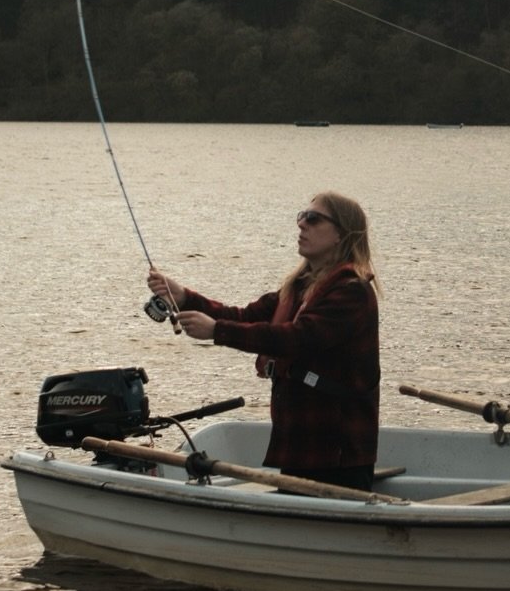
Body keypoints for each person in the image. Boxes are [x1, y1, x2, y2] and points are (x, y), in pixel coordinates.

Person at [147, 192, 381, 490]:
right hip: (301, 446)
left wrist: (216, 331)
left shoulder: (352, 292)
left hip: (338, 452)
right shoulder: (298, 288)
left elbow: (297, 339)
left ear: (340, 234)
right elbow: (245, 316)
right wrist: (184, 297)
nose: (301, 225)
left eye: (313, 219)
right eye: (301, 216)